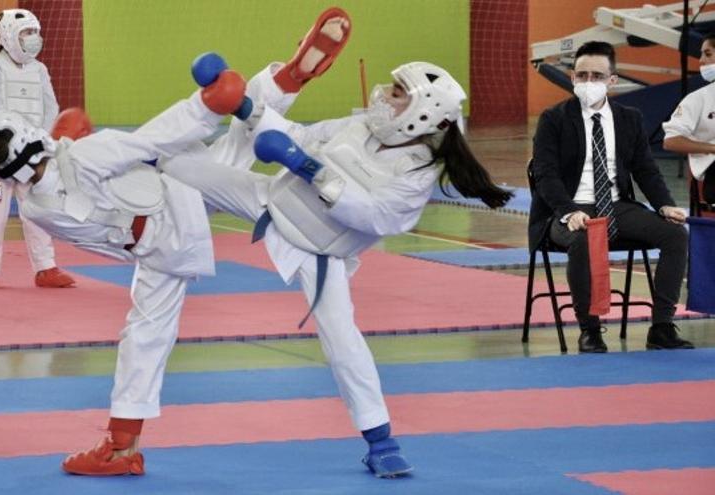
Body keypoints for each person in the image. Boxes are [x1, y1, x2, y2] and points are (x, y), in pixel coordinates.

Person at [160, 52, 512, 478]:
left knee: (342, 339)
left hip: (319, 251)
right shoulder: (359, 126)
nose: (386, 95)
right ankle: (107, 185)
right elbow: (298, 136)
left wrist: (308, 169)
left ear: (423, 114)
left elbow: (378, 216)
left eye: (399, 93)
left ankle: (381, 440)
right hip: (270, 200)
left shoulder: (415, 173)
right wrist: (244, 107)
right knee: (175, 167)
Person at [0, 51, 254, 477]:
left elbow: (77, 193)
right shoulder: (82, 157)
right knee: (218, 160)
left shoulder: (37, 210)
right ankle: (282, 85)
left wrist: (67, 145)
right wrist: (204, 107)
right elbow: (149, 139)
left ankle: (121, 446)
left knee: (144, 337)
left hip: (156, 248)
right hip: (174, 200)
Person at [529, 40, 693, 353]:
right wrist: (568, 211)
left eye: (596, 76)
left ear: (612, 81)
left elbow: (646, 170)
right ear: (573, 77)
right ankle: (590, 330)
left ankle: (661, 326)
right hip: (567, 210)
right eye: (582, 75)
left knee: (676, 235)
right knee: (583, 238)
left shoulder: (629, 117)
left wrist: (665, 204)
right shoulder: (554, 119)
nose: (588, 82)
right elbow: (545, 175)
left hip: (618, 206)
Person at [0, 8, 76, 290]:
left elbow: (50, 107)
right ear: (7, 37)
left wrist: (41, 142)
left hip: (34, 154)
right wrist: (11, 146)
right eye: (27, 33)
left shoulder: (40, 69)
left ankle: (45, 267)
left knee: (38, 209)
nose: (34, 38)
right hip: (1, 155)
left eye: (36, 32)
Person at [663, 33, 715, 206]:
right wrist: (713, 148)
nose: (700, 61)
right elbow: (671, 141)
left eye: (707, 54)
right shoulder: (698, 99)